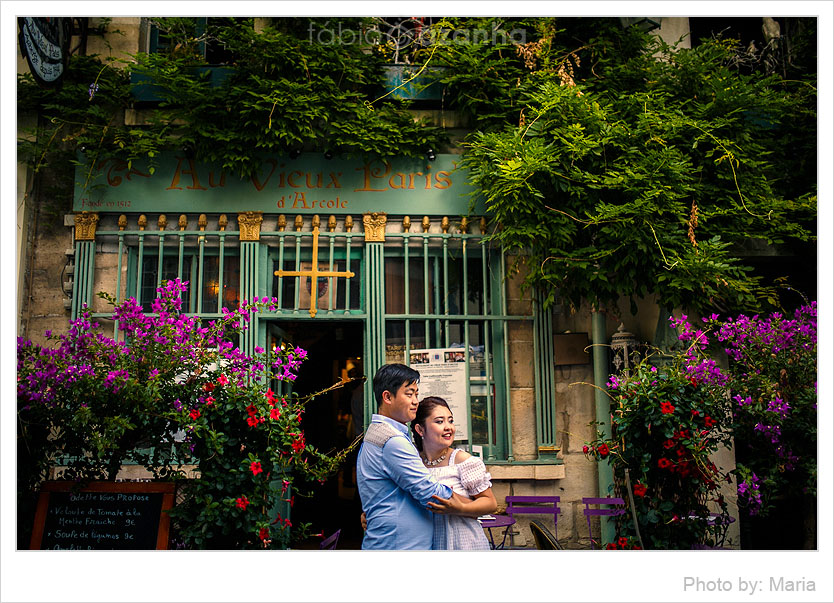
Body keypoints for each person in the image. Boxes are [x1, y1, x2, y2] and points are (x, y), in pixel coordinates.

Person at [357, 363, 461, 549]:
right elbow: (431, 493)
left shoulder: (380, 434)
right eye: (409, 393)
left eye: (416, 394)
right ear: (387, 397)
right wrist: (471, 504)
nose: (415, 401)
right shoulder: (392, 440)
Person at [412, 396, 497, 550]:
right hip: (424, 544)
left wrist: (460, 508)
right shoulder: (411, 463)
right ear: (420, 429)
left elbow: (490, 503)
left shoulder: (463, 462)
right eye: (439, 421)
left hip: (464, 544)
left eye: (450, 421)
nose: (448, 427)